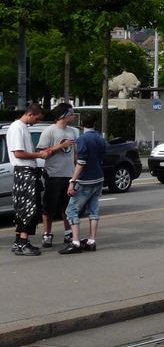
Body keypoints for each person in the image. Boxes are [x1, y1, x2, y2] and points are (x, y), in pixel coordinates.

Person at [9, 103, 52, 256]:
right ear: (31, 114)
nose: (38, 122)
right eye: (38, 119)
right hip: (24, 172)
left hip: (27, 171)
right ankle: (23, 242)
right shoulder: (17, 128)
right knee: (28, 209)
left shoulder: (22, 127)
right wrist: (38, 155)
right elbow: (18, 153)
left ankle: (19, 242)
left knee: (25, 208)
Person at [60, 110, 105, 254]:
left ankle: (76, 242)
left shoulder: (82, 140)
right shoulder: (100, 138)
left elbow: (81, 162)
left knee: (71, 211)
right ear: (95, 124)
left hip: (85, 180)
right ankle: (91, 240)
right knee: (93, 211)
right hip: (98, 178)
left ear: (81, 124)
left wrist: (72, 181)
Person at [38, 103, 78, 247]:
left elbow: (75, 153)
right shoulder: (49, 131)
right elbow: (43, 153)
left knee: (67, 207)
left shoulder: (73, 132)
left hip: (69, 175)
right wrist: (61, 146)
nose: (74, 116)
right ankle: (47, 234)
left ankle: (68, 233)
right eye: (72, 114)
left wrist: (76, 172)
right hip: (53, 174)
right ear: (64, 115)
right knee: (49, 207)